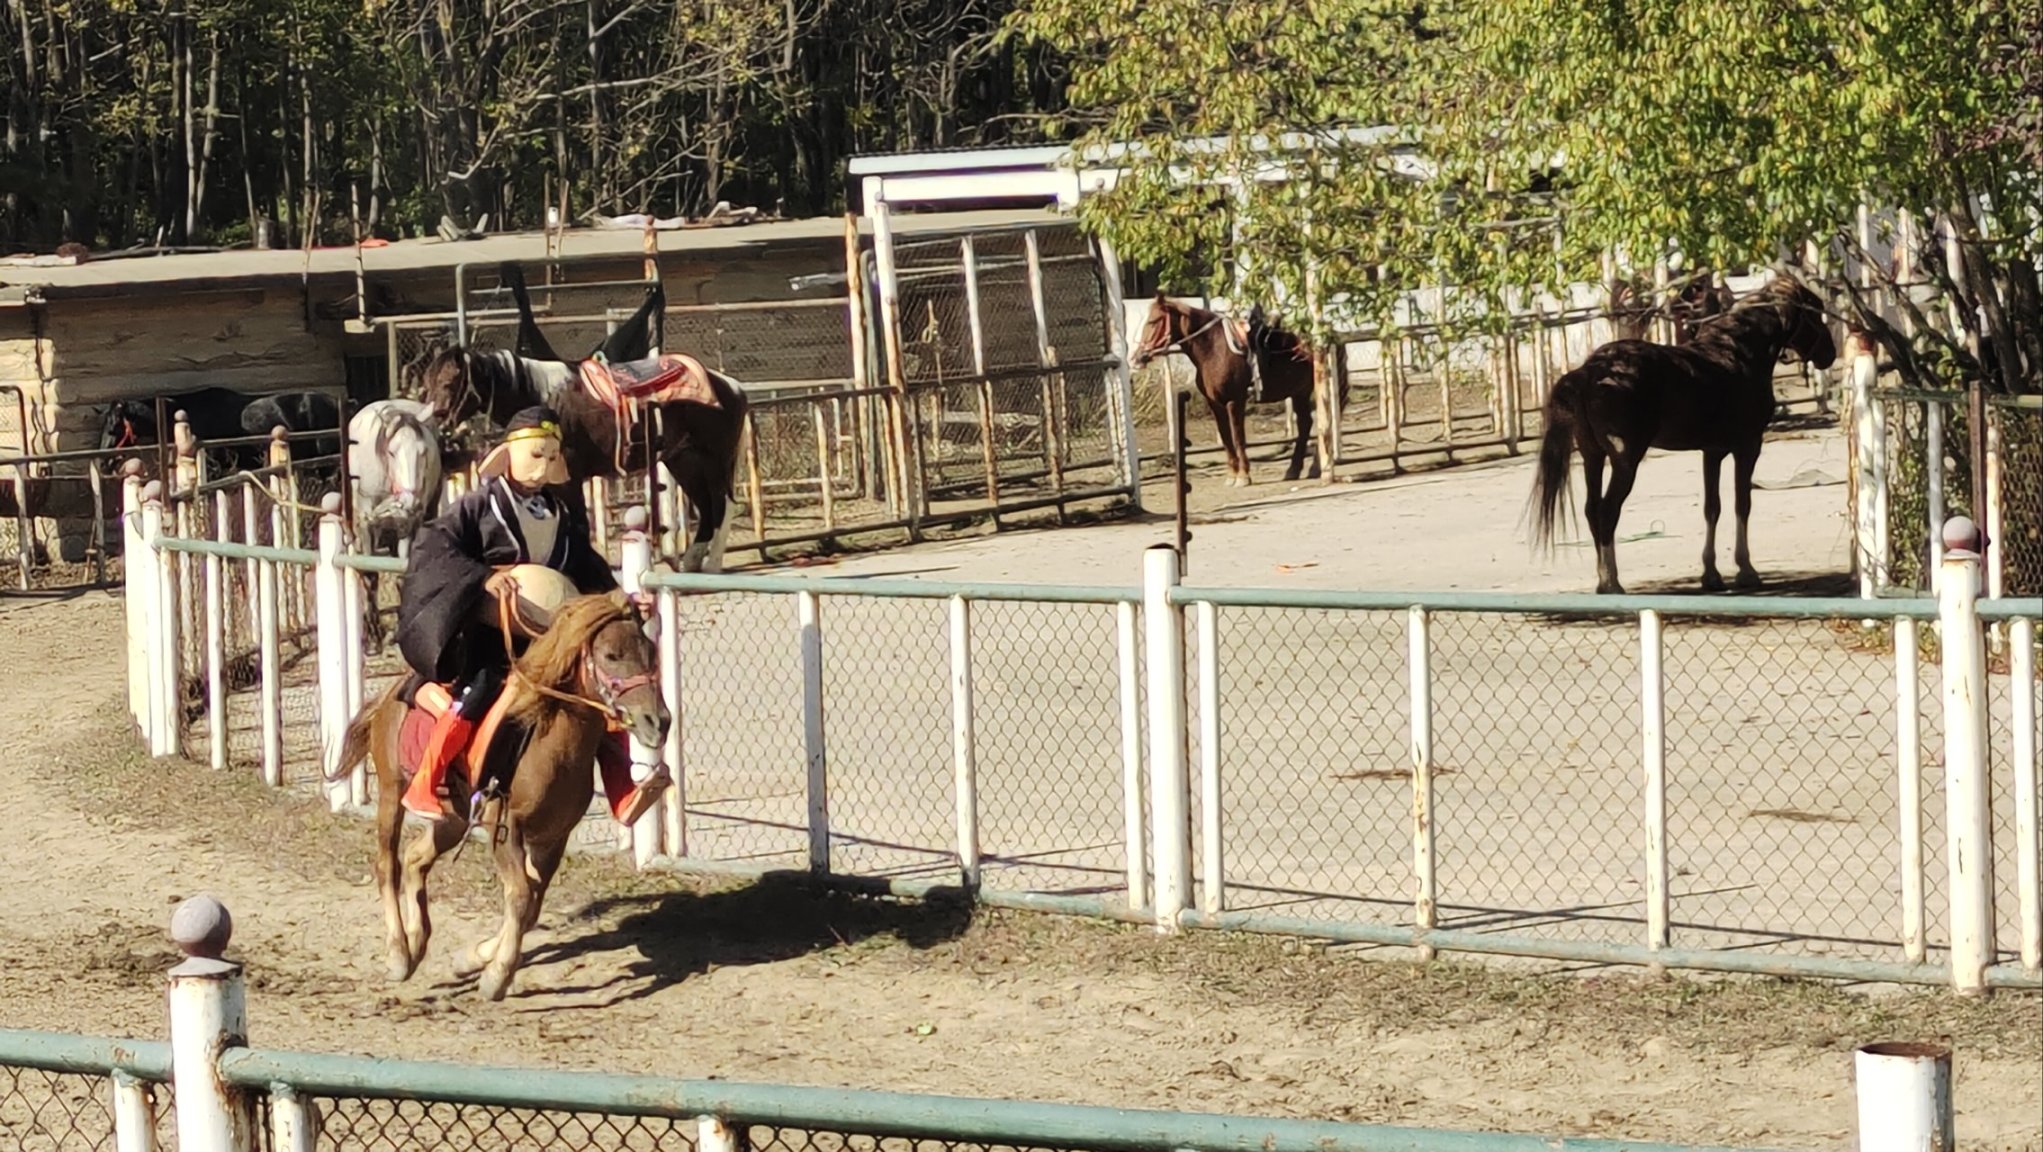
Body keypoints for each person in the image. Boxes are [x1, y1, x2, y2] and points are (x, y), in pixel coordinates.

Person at [393, 405, 669, 824]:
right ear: (511, 455)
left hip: (549, 633)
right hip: (490, 631)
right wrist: (482, 577)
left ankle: (623, 792)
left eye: (551, 456)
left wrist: (622, 598)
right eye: (535, 455)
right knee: (481, 689)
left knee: (595, 696)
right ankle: (426, 783)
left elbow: (585, 564)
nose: (542, 467)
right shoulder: (476, 507)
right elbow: (436, 548)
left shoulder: (557, 511)